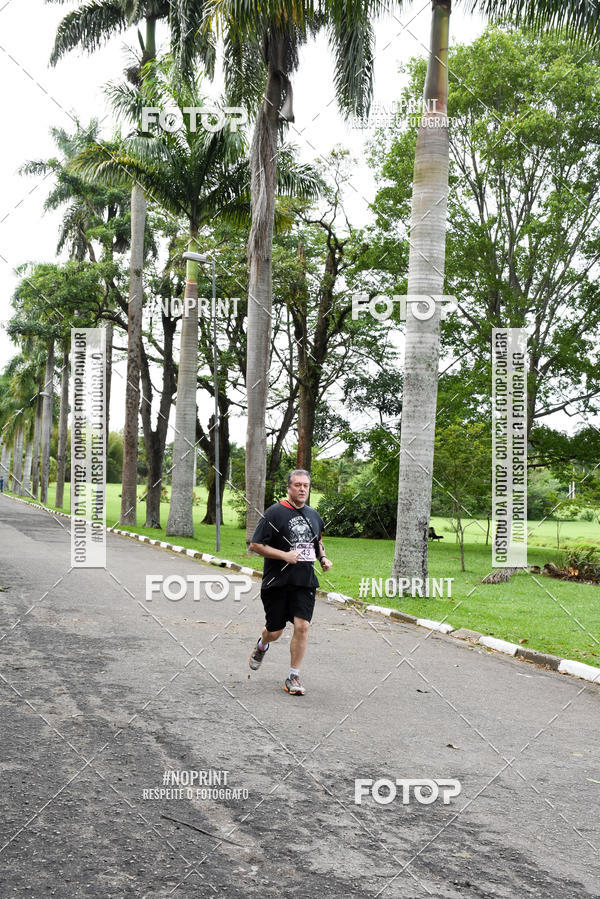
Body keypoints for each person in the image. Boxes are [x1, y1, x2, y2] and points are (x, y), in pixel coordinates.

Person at [248, 469, 332, 695]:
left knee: (303, 626)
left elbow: (318, 542)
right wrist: (285, 556)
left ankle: (293, 676)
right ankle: (262, 644)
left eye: (306, 485)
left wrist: (322, 558)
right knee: (275, 632)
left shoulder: (314, 515)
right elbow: (255, 545)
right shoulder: (274, 513)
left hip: (304, 581)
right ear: (289, 488)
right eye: (298, 485)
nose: (302, 489)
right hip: (277, 581)